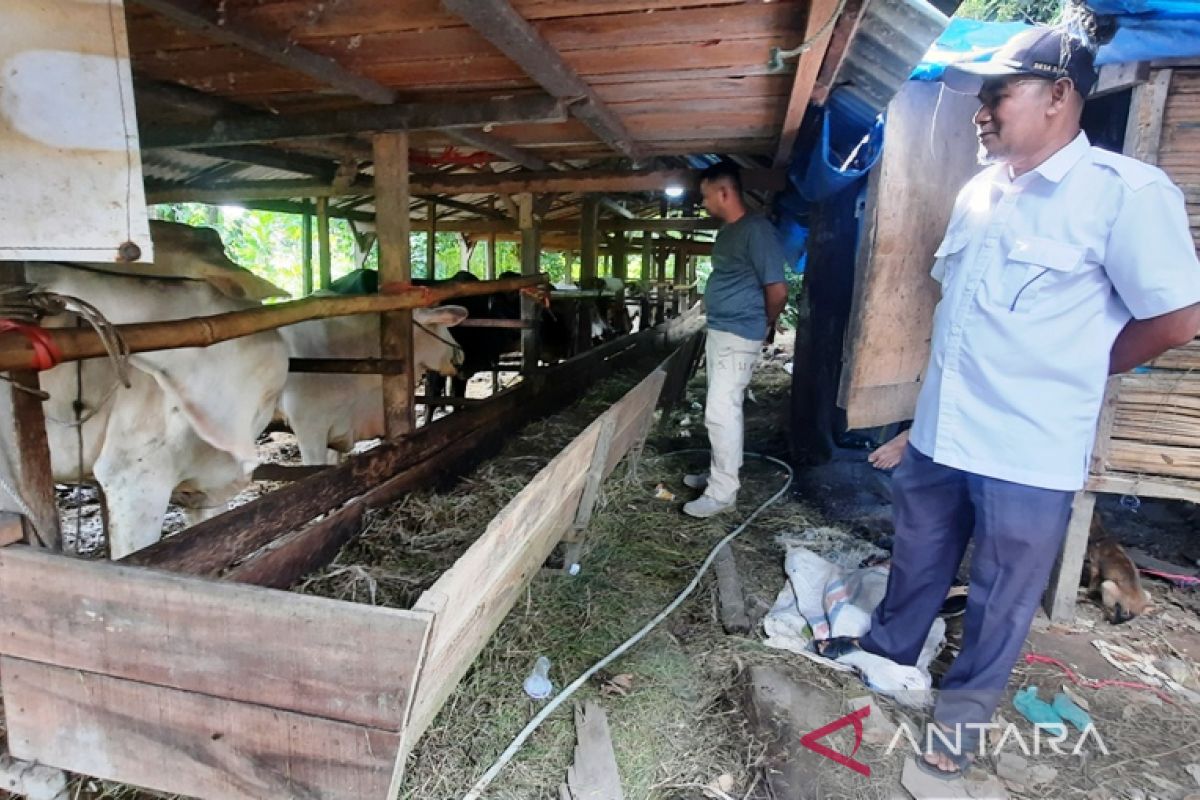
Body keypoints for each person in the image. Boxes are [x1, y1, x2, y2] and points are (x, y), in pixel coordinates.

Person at [816, 25, 1200, 780]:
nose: (980, 112)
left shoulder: (1122, 195)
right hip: (941, 429)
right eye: (981, 97)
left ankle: (962, 716)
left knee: (1002, 590)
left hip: (1029, 442)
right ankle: (890, 654)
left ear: (1060, 95)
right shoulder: (979, 191)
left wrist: (1079, 372)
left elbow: (1178, 317)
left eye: (998, 94)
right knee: (917, 556)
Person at [683, 162, 789, 518]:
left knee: (719, 410)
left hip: (739, 331)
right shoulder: (729, 232)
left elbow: (777, 288)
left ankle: (723, 493)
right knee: (723, 408)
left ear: (724, 192)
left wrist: (765, 323)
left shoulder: (756, 230)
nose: (703, 203)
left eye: (705, 196)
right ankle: (720, 473)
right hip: (721, 329)